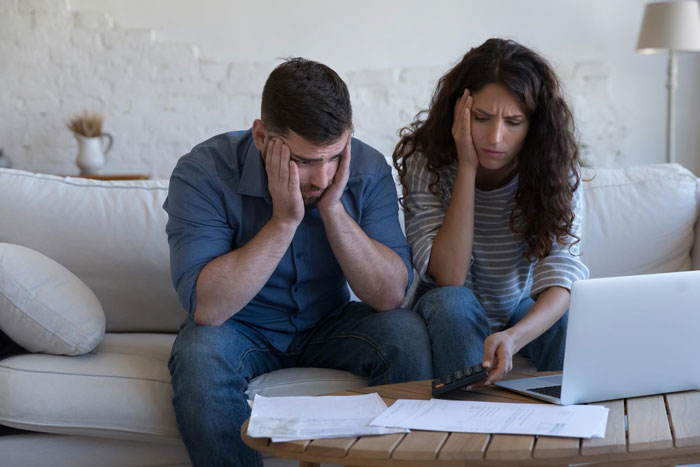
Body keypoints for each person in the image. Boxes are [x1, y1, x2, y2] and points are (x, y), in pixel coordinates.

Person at [163, 57, 432, 467]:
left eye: (334, 156)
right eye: (304, 161)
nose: (322, 178)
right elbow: (209, 308)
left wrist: (334, 211)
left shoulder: (366, 168)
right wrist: (283, 221)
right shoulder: (202, 173)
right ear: (260, 136)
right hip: (240, 327)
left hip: (330, 322)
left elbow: (391, 295)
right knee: (198, 355)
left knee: (406, 332)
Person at [392, 38, 589, 387]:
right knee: (454, 303)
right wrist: (467, 166)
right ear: (457, 112)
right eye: (481, 118)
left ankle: (569, 424)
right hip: (444, 306)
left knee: (567, 316)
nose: (495, 138)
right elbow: (449, 276)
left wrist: (514, 337)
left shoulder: (557, 171)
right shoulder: (426, 159)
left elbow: (562, 278)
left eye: (513, 122)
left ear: (534, 125)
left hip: (516, 307)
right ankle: (469, 420)